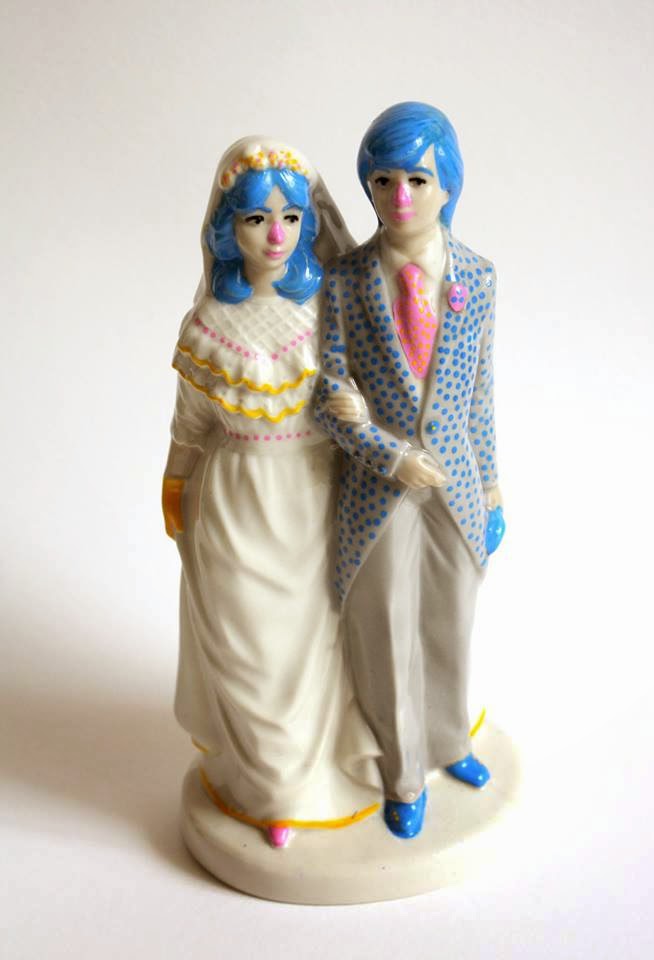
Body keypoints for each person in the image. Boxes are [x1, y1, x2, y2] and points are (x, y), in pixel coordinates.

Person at [162, 137, 380, 849]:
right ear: (228, 228)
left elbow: (371, 397)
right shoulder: (208, 325)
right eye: (256, 219)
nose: (276, 235)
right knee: (249, 650)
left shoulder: (329, 310)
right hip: (234, 504)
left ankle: (311, 783)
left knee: (312, 648)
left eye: (289, 218)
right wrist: (174, 480)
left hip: (316, 498)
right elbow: (191, 422)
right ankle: (269, 789)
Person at [313, 103, 504, 839]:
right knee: (386, 629)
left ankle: (450, 741)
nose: (399, 196)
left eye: (417, 179)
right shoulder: (344, 280)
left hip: (456, 485)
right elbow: (331, 395)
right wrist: (390, 456)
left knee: (450, 620)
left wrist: (490, 486)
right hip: (377, 492)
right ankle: (401, 771)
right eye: (384, 180)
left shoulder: (477, 277)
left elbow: (479, 390)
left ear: (447, 185)